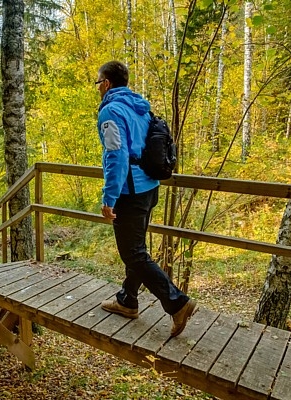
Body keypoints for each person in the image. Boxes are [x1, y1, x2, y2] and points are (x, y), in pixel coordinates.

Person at [95, 60, 197, 337]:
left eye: (97, 83)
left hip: (129, 193)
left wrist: (109, 197)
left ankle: (177, 303)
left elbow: (116, 156)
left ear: (106, 83)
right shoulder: (140, 108)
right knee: (136, 249)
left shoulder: (111, 111)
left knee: (133, 253)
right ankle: (127, 300)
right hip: (150, 188)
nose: (97, 89)